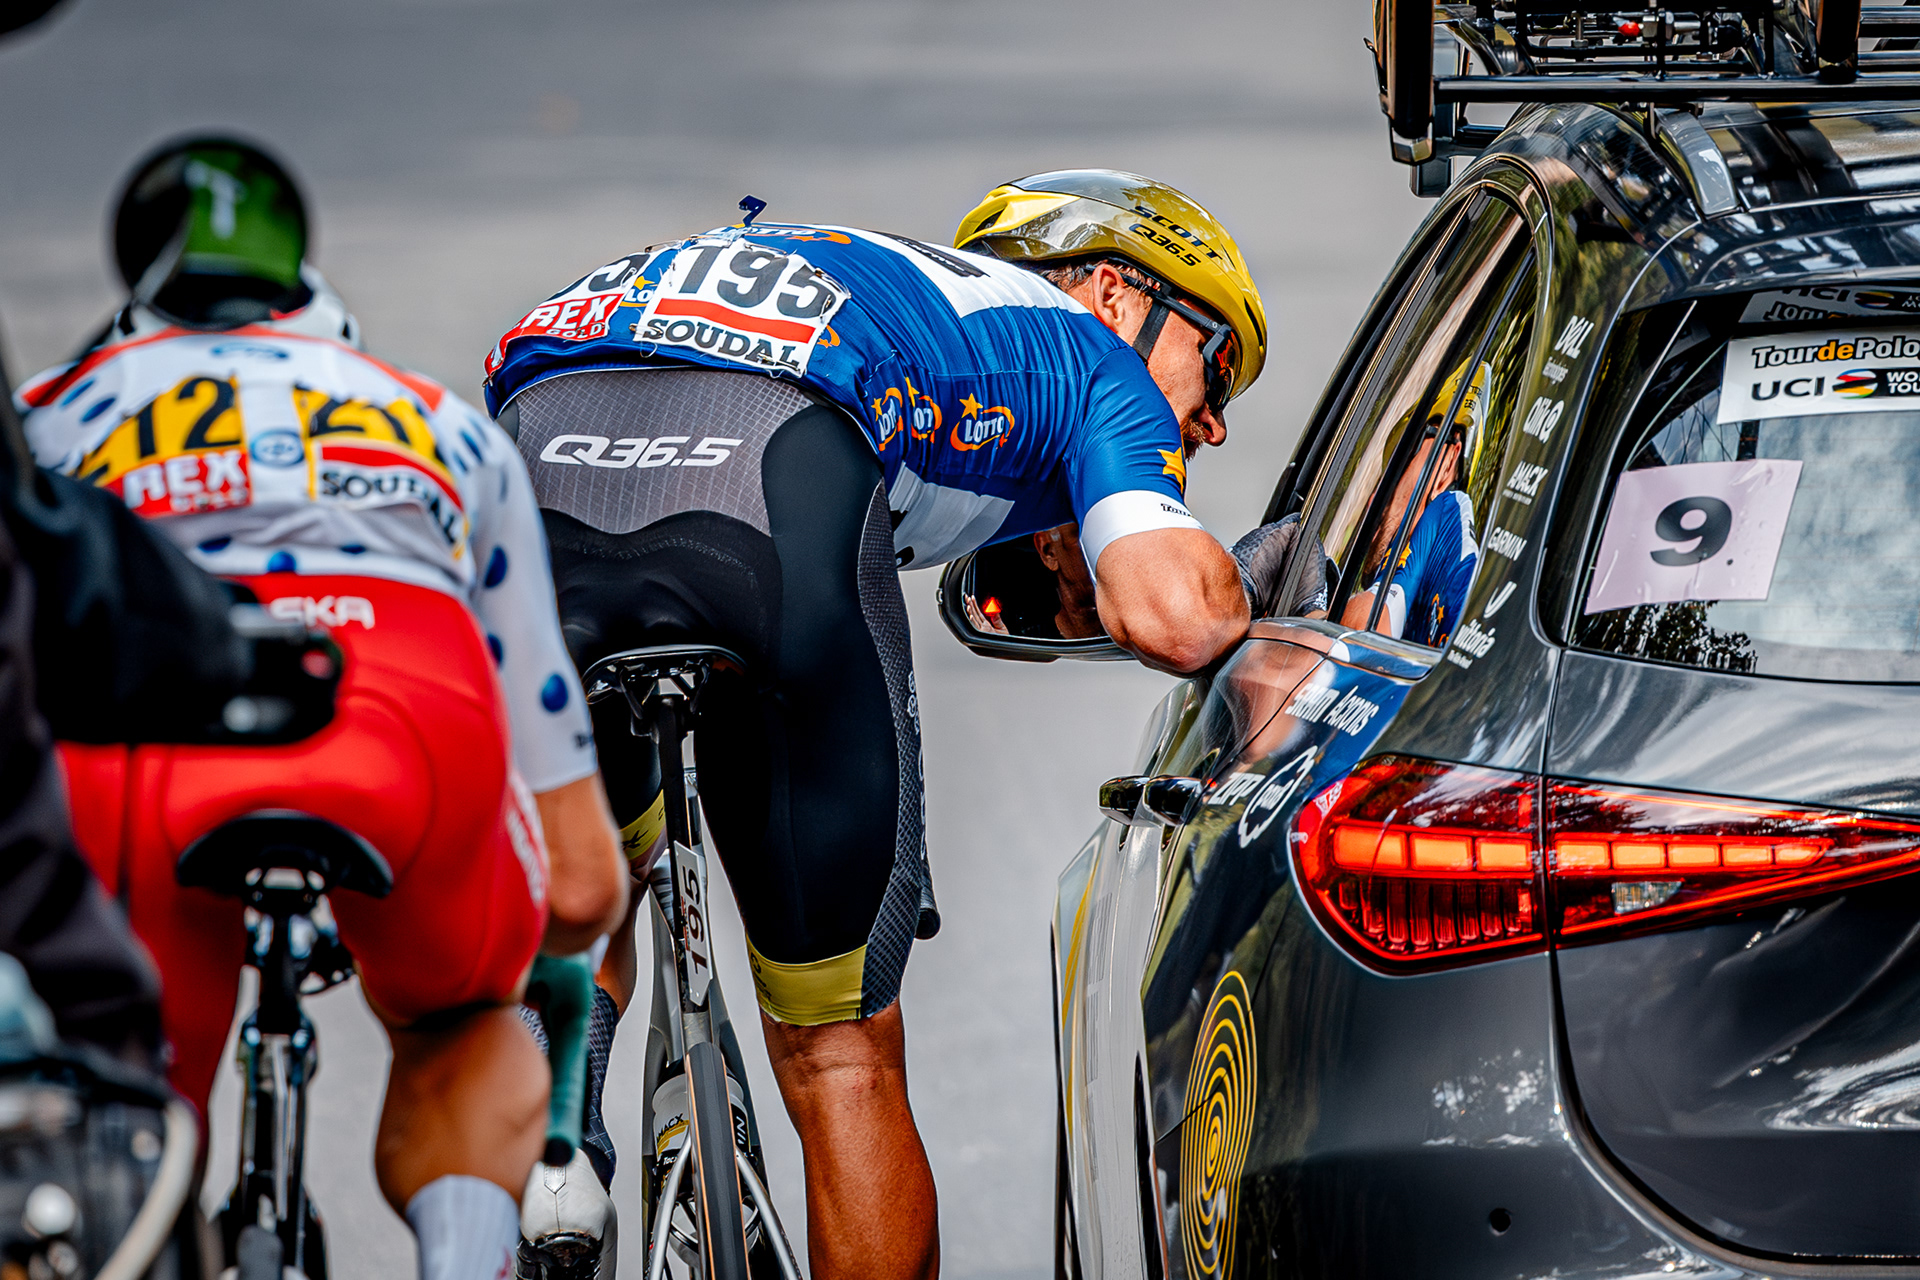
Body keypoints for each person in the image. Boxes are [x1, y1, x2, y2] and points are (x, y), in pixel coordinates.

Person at [482, 169, 1267, 1278]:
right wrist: (1267, 574)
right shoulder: (1093, 357)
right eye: (1216, 358)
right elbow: (1174, 618)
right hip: (769, 472)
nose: (1216, 418)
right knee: (837, 1048)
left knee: (575, 897)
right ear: (1115, 293)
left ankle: (543, 1158)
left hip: (541, 430)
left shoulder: (886, 287)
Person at [17, 138, 629, 1280]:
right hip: (404, 721)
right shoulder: (445, 427)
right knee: (461, 1037)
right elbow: (586, 883)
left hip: (150, 752)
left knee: (119, 1101)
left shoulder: (47, 416)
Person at [1341, 362, 1485, 647]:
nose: (1375, 498)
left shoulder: (1446, 517)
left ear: (1447, 463)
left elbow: (1361, 628)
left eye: (1401, 462)